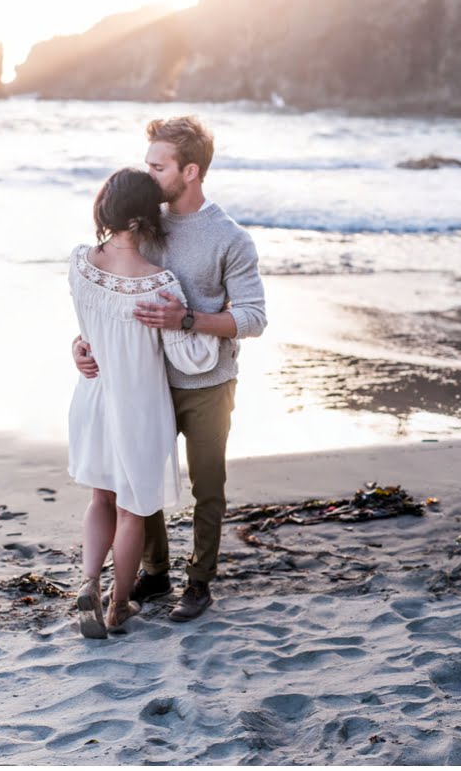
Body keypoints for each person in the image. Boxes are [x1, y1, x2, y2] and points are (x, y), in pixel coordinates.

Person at [72, 116, 267, 622]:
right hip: (144, 380)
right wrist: (82, 343)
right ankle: (154, 572)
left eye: (158, 167)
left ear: (191, 172)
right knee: (141, 482)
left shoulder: (230, 239)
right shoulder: (143, 224)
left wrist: (187, 318)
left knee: (208, 485)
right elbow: (110, 297)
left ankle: (198, 583)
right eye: (148, 165)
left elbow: (253, 317)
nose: (150, 175)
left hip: (207, 383)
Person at [66, 167, 220, 639]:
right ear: (145, 218)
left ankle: (90, 581)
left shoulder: (79, 263)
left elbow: (87, 330)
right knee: (133, 507)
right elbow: (190, 358)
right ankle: (117, 605)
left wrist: (79, 346)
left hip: (93, 396)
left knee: (101, 497)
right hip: (140, 403)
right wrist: (200, 325)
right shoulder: (159, 284)